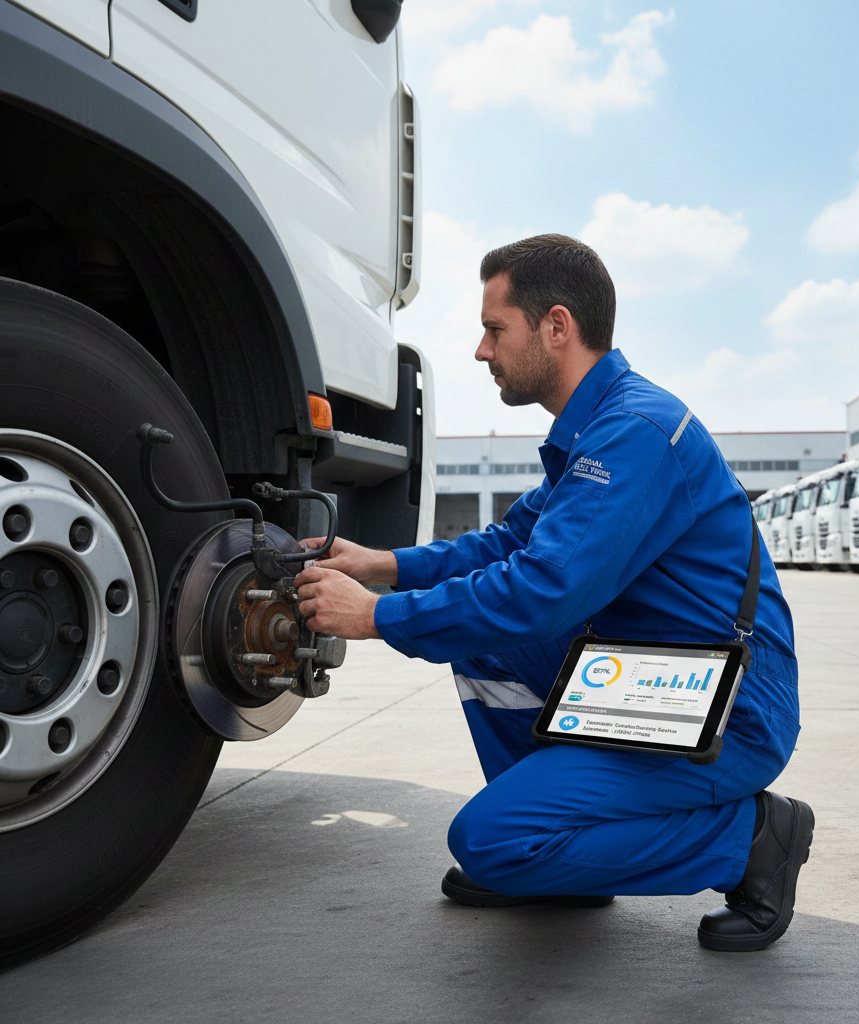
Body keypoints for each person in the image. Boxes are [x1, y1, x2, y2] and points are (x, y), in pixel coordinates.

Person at [294, 234, 813, 951]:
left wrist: (377, 617)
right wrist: (382, 563)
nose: (482, 350)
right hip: (654, 677)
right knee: (485, 648)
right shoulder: (597, 428)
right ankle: (565, 864)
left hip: (726, 708)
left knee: (484, 840)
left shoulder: (633, 433)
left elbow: (544, 590)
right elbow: (510, 546)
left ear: (557, 327)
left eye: (494, 329)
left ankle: (751, 840)